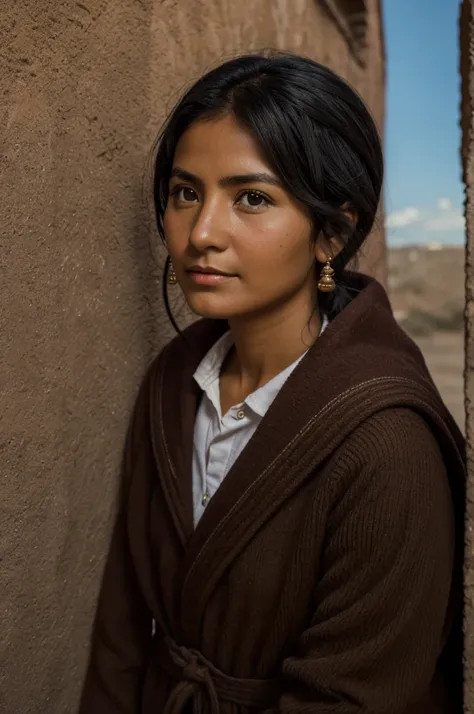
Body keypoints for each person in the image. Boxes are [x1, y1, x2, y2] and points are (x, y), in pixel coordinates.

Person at [79, 51, 465, 714]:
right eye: (185, 193)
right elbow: (119, 634)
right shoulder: (173, 385)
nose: (201, 233)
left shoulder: (386, 444)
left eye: (252, 198)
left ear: (331, 233)